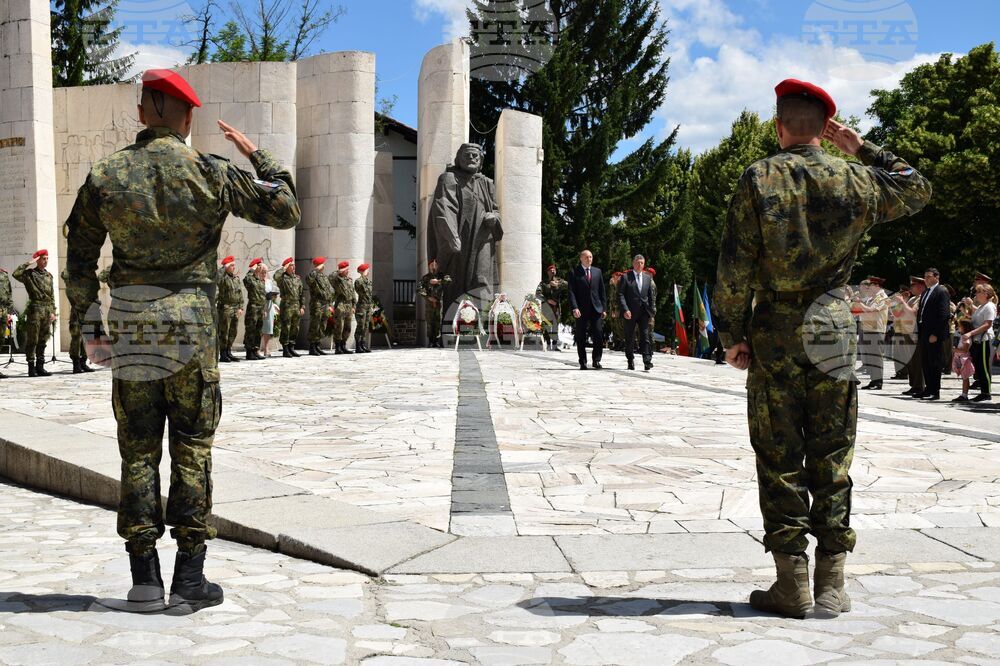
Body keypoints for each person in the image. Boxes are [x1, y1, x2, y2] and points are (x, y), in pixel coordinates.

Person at [63, 68, 300, 611]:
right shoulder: (210, 171)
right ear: (187, 115)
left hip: (131, 323)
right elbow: (286, 208)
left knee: (138, 447)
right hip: (192, 328)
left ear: (147, 109)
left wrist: (91, 325)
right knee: (193, 445)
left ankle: (144, 578)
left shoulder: (108, 174)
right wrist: (256, 154)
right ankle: (190, 580)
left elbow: (80, 259)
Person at [714, 78, 931, 619]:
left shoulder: (759, 177)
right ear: (825, 130)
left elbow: (735, 264)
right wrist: (861, 148)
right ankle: (833, 582)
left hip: (776, 329)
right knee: (833, 455)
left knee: (779, 456)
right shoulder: (858, 180)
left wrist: (731, 334)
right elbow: (917, 186)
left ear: (779, 124)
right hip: (834, 325)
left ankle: (792, 583)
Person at [13, 249, 57, 377]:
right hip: (35, 309)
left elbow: (52, 295)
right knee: (33, 339)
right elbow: (16, 274)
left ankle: (40, 366)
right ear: (38, 260)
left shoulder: (49, 276)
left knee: (43, 339)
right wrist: (28, 263)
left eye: (47, 258)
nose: (46, 261)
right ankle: (31, 368)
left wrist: (53, 311)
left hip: (47, 310)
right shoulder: (29, 275)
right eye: (43, 258)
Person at [568, 249, 607, 370]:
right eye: (586, 257)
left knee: (598, 334)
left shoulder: (597, 271)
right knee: (580, 336)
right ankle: (583, 362)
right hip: (581, 309)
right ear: (581, 258)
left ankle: (596, 360)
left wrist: (604, 308)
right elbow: (571, 292)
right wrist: (575, 307)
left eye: (591, 257)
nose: (589, 259)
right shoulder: (574, 272)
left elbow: (602, 291)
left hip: (596, 308)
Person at [916, 268, 950, 400]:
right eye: (924, 277)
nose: (925, 279)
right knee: (926, 361)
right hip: (924, 331)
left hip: (934, 333)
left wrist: (936, 333)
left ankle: (935, 391)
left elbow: (944, 314)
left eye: (928, 276)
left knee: (935, 362)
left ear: (937, 277)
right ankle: (928, 388)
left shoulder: (941, 291)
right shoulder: (925, 292)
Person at [619, 254, 656, 371]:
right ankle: (630, 359)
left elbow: (651, 296)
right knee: (630, 337)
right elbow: (620, 295)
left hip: (643, 312)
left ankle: (647, 360)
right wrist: (625, 309)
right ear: (633, 263)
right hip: (630, 313)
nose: (639, 265)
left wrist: (651, 310)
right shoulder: (626, 277)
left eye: (642, 263)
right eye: (637, 263)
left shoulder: (647, 278)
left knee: (645, 336)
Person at [855, 277, 889, 390]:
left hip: (876, 330)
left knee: (876, 357)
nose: (869, 287)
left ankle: (878, 381)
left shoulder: (882, 298)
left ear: (877, 286)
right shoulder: (872, 298)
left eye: (872, 285)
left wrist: (860, 304)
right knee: (870, 357)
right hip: (868, 329)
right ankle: (873, 380)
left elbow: (872, 310)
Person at [964, 283, 996, 402]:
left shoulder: (989, 306)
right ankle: (983, 392)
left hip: (984, 339)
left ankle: (986, 393)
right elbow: (977, 317)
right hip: (978, 340)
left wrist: (970, 333)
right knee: (979, 367)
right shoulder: (983, 306)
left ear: (986, 294)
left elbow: (987, 324)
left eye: (978, 292)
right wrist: (969, 307)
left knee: (984, 367)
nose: (976, 294)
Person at [61, 268, 96, 374]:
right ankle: (76, 363)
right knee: (76, 338)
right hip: (76, 311)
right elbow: (64, 274)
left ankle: (83, 362)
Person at [418, 259, 451, 348]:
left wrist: (438, 281)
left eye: (435, 265)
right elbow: (420, 289)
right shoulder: (425, 278)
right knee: (429, 322)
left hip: (439, 303)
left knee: (438, 322)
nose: (433, 266)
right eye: (432, 265)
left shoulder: (441, 275)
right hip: (429, 304)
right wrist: (428, 297)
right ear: (429, 266)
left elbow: (448, 280)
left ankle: (437, 341)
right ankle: (431, 341)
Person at [216, 256, 244, 363]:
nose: (234, 267)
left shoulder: (236, 279)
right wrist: (223, 268)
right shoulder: (223, 278)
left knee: (233, 331)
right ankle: (223, 353)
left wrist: (241, 307)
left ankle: (229, 351)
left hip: (235, 308)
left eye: (234, 265)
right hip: (225, 307)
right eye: (231, 265)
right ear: (226, 266)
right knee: (224, 331)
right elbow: (217, 278)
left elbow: (240, 294)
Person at [275, 257, 304, 358]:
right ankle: (285, 349)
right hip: (287, 306)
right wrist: (283, 268)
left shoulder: (297, 278)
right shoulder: (282, 278)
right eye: (291, 265)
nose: (294, 267)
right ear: (287, 267)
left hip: (296, 306)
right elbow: (276, 276)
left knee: (295, 327)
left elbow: (301, 294)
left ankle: (292, 347)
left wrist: (302, 306)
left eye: (294, 265)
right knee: (286, 327)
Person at [306, 256, 334, 356]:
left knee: (322, 325)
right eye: (322, 264)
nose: (324, 265)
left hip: (325, 304)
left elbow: (329, 291)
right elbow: (308, 280)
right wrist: (316, 269)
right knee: (315, 325)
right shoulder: (313, 275)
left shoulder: (324, 276)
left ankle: (318, 345)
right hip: (316, 304)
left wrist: (330, 304)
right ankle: (312, 347)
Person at [536, 264, 568, 351]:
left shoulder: (559, 281)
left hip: (556, 308)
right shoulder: (543, 283)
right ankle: (548, 344)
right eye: (551, 270)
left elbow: (567, 285)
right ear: (548, 272)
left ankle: (554, 346)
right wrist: (547, 300)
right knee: (546, 326)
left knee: (555, 326)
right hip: (546, 307)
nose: (553, 271)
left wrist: (557, 284)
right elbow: (537, 294)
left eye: (554, 270)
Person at [330, 261, 357, 354]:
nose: (347, 271)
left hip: (349, 306)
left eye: (347, 269)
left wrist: (354, 305)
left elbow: (353, 293)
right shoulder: (337, 279)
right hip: (340, 305)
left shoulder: (349, 280)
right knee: (339, 327)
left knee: (347, 327)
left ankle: (343, 345)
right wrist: (338, 271)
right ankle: (337, 347)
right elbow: (331, 277)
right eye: (345, 270)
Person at [242, 259, 266, 361]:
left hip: (260, 308)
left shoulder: (259, 280)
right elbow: (245, 280)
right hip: (253, 307)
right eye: (259, 266)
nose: (261, 268)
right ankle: (249, 351)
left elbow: (262, 296)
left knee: (258, 330)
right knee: (251, 330)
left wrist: (264, 309)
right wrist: (252, 270)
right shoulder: (250, 278)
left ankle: (255, 350)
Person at [951, 320, 977, 402]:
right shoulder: (963, 337)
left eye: (960, 326)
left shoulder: (966, 338)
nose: (958, 327)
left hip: (964, 359)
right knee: (964, 377)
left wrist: (955, 350)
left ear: (964, 327)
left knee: (965, 377)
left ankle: (964, 395)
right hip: (961, 358)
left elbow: (965, 350)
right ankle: (964, 394)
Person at [354, 263, 374, 353]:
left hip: (368, 306)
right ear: (363, 270)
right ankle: (358, 346)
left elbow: (370, 295)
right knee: (360, 326)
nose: (368, 271)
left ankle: (363, 344)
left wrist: (371, 306)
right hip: (362, 306)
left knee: (365, 326)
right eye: (367, 269)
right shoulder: (358, 281)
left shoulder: (368, 281)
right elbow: (362, 293)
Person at [262, 266, 280, 358]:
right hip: (261, 305)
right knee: (259, 327)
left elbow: (272, 291)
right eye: (262, 272)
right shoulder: (258, 281)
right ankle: (256, 348)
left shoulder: (269, 281)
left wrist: (274, 299)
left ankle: (266, 348)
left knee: (268, 328)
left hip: (269, 305)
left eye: (265, 272)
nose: (264, 274)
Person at [0, 267, 11, 379]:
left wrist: (9, 311)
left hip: (2, 311)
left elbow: (9, 294)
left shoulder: (4, 275)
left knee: (1, 339)